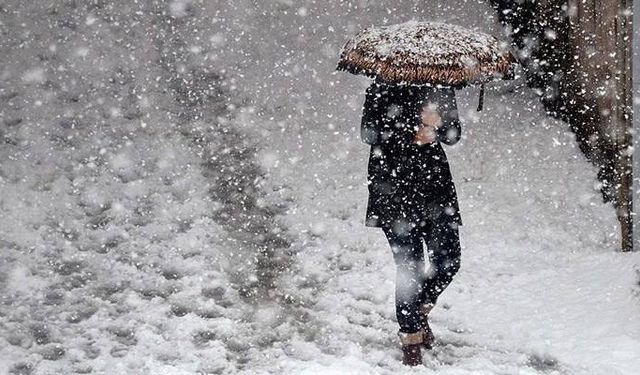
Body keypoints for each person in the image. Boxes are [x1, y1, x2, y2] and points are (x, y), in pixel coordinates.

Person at [360, 80, 463, 366]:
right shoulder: (381, 88)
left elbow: (453, 135)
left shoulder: (440, 87)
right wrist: (413, 129)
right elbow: (369, 133)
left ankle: (417, 311)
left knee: (449, 259)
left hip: (435, 189)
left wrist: (439, 125)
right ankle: (411, 339)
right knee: (410, 267)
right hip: (393, 188)